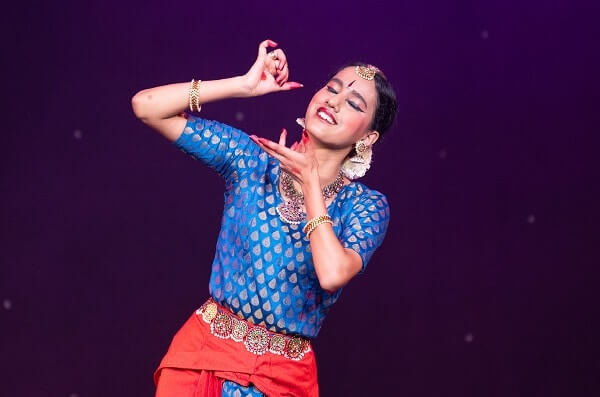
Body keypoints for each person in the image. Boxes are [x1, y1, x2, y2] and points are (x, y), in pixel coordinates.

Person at [131, 39, 397, 397]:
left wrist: (312, 185)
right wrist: (241, 85)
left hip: (277, 381)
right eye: (331, 89)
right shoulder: (251, 161)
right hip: (201, 358)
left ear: (368, 137)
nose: (333, 100)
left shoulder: (364, 206)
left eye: (352, 102)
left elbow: (332, 274)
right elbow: (147, 107)